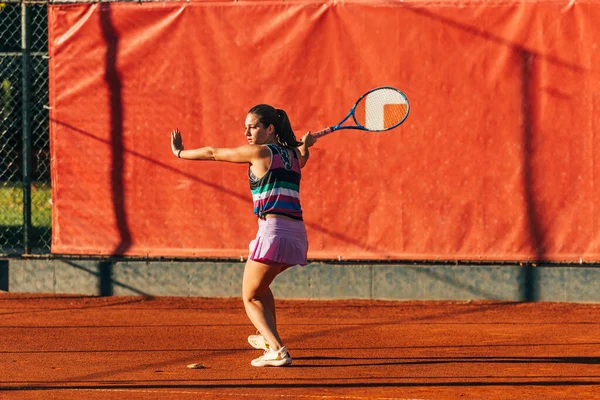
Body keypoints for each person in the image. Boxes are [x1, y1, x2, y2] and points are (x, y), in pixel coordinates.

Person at [170, 104, 316, 367]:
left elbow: (213, 153)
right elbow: (302, 159)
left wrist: (180, 153)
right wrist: (306, 146)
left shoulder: (259, 152)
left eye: (254, 126)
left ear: (270, 129)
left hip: (273, 232)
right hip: (296, 234)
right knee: (262, 288)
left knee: (249, 297)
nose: (247, 132)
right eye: (246, 127)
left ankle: (277, 350)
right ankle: (269, 338)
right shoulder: (293, 154)